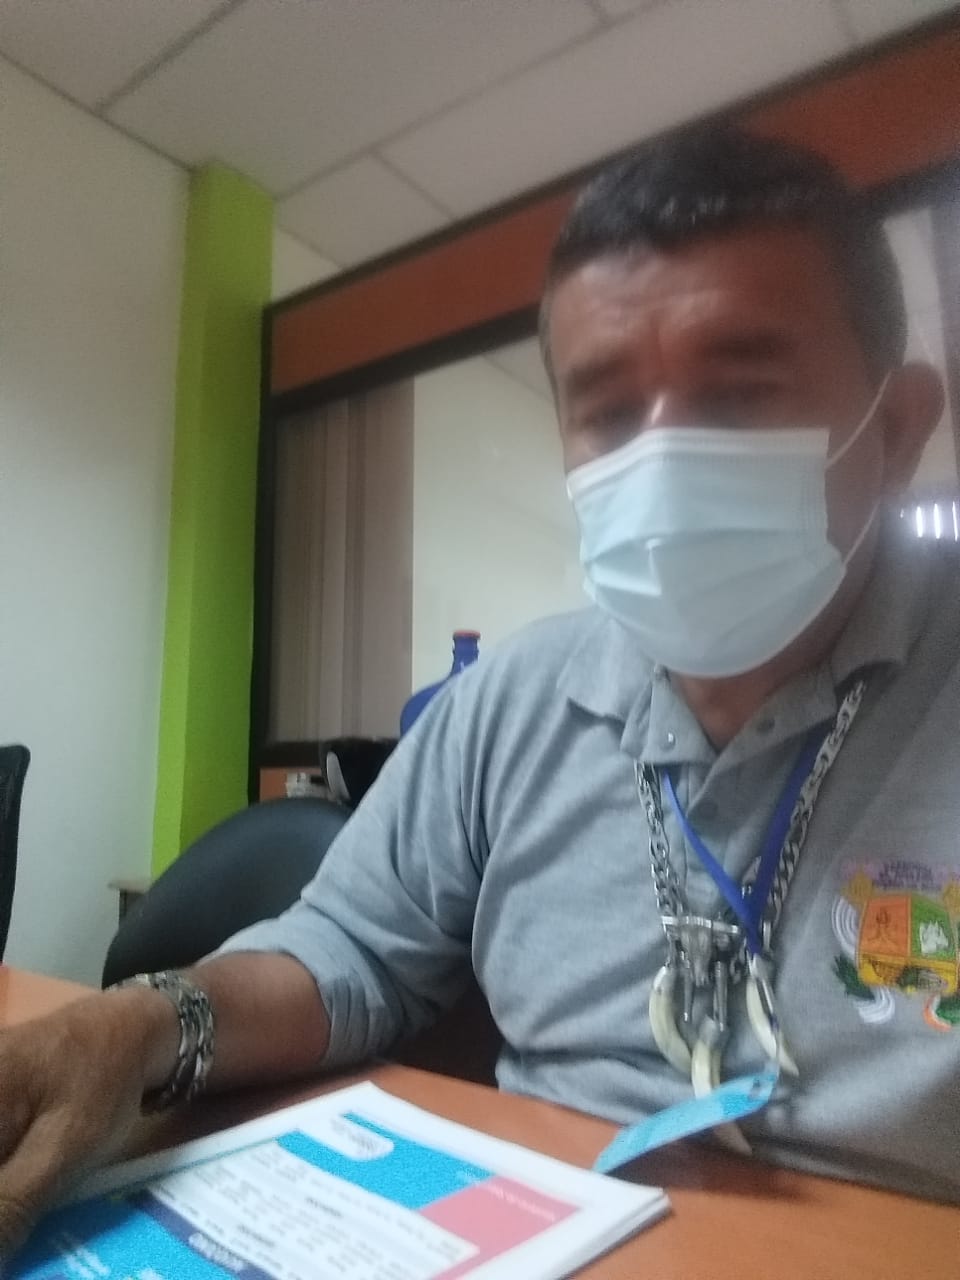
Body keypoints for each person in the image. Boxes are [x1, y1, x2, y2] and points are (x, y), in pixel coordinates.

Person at [1, 127, 956, 1255]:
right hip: (537, 1228)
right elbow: (349, 947)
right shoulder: (512, 699)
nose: (665, 458)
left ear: (898, 429)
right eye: (608, 413)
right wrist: (141, 1028)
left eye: (741, 391)